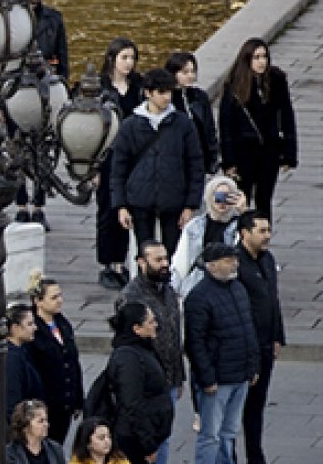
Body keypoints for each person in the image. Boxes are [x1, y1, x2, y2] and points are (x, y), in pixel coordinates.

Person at [182, 244, 258, 464]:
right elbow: (195, 343)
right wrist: (207, 378)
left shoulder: (238, 289)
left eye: (234, 260)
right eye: (228, 261)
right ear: (212, 265)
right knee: (211, 434)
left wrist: (252, 367)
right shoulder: (199, 297)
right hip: (217, 379)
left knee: (228, 432)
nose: (234, 264)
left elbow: (248, 329)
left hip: (240, 375)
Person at [99, 303, 174, 464]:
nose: (156, 324)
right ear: (136, 328)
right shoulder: (129, 357)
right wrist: (148, 443)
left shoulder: (140, 350)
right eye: (151, 321)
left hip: (144, 435)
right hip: (133, 439)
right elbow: (132, 404)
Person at [118, 244, 186, 464]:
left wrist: (178, 375)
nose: (164, 264)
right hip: (146, 382)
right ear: (140, 262)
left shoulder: (167, 289)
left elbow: (174, 334)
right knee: (141, 441)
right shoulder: (131, 298)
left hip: (168, 378)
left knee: (163, 438)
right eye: (157, 259)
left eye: (165, 258)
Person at [109, 69, 204, 258]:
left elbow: (195, 164)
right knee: (145, 254)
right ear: (148, 93)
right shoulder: (130, 126)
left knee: (174, 255)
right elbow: (119, 168)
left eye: (169, 92)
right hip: (140, 198)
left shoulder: (183, 125)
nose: (167, 97)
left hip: (173, 198)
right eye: (161, 92)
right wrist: (121, 205)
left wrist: (190, 205)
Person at [217, 37, 297, 220]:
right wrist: (229, 161)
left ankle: (262, 236)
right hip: (243, 151)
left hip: (269, 149)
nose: (262, 62)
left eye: (264, 57)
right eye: (256, 57)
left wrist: (288, 152)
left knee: (264, 198)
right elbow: (226, 125)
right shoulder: (235, 85)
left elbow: (286, 115)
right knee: (240, 199)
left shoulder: (276, 81)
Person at [233, 213, 285, 464]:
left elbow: (272, 301)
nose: (267, 235)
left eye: (268, 230)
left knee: (256, 407)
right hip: (244, 350)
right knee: (233, 411)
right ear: (245, 233)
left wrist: (278, 336)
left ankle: (256, 461)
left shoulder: (267, 259)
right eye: (261, 230)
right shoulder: (236, 264)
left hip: (266, 346)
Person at [15, 0, 69, 224]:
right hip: (16, 92)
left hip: (46, 91)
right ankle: (21, 203)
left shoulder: (53, 19)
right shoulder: (10, 20)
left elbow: (63, 58)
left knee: (43, 150)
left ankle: (38, 205)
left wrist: (63, 89)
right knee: (16, 149)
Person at [93, 38, 143, 289]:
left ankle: (120, 263)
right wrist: (92, 167)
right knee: (107, 210)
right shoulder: (100, 88)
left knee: (127, 209)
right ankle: (106, 263)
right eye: (124, 57)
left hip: (133, 156)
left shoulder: (139, 87)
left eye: (132, 58)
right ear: (112, 58)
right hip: (107, 156)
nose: (128, 63)